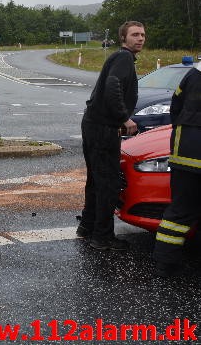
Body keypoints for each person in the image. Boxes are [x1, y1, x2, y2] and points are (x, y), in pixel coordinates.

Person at [77, 21, 145, 250]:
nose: (140, 38)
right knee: (109, 183)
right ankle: (102, 237)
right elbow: (113, 85)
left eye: (143, 35)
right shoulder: (123, 58)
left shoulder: (120, 58)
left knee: (96, 180)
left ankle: (87, 227)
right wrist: (124, 118)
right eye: (135, 34)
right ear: (123, 39)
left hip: (94, 125)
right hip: (103, 128)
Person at [152, 59, 201, 277]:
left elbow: (175, 108)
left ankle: (165, 264)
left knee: (179, 212)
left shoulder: (191, 75)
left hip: (184, 155)